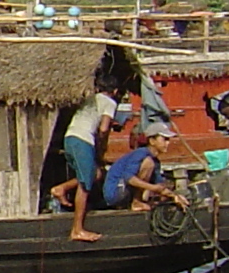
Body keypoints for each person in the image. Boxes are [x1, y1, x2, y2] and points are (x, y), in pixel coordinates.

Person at [51, 81, 121, 242]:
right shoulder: (109, 102)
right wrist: (101, 147)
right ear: (115, 90)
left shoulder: (89, 99)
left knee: (94, 174)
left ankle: (61, 188)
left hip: (70, 139)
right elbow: (103, 129)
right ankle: (77, 230)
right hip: (83, 141)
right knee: (85, 185)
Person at [99, 124, 172, 212]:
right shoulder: (141, 154)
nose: (168, 143)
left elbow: (160, 186)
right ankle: (136, 202)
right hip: (115, 191)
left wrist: (175, 196)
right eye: (165, 139)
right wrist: (153, 188)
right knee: (148, 163)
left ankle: (137, 202)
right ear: (152, 141)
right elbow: (129, 179)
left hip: (125, 191)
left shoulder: (156, 161)